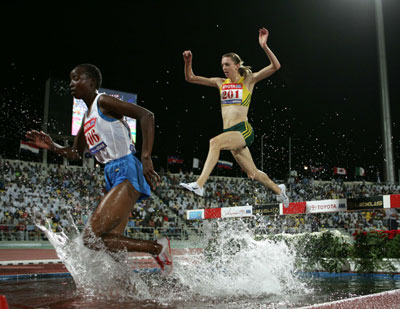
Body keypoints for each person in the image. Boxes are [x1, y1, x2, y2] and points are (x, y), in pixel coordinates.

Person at [26, 64, 173, 276]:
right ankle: (132, 290)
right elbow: (76, 153)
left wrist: (146, 157)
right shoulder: (86, 118)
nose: (71, 84)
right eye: (70, 79)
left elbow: (146, 116)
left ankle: (157, 248)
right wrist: (51, 146)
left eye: (76, 78)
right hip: (110, 173)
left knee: (90, 237)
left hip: (126, 168)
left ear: (92, 82)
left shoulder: (103, 101)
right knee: (109, 245)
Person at [180, 27, 289, 207]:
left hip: (243, 130)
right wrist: (188, 61)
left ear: (237, 66)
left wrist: (264, 46)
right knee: (252, 173)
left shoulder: (248, 80)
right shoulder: (220, 83)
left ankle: (199, 185)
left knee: (214, 143)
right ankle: (280, 191)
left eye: (227, 64)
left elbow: (275, 66)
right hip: (230, 133)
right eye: (222, 65)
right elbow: (190, 78)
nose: (224, 68)